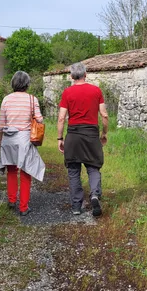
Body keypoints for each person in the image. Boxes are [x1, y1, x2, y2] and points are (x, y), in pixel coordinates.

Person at [57, 62, 109, 217]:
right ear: (86, 74)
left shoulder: (67, 92)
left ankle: (76, 206)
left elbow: (61, 118)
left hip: (73, 135)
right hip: (91, 135)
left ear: (72, 77)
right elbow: (104, 115)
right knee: (93, 167)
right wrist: (104, 133)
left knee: (73, 170)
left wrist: (60, 138)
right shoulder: (96, 91)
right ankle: (94, 194)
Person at [0, 71, 45, 216]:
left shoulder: (6, 99)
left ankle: (12, 200)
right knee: (26, 172)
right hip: (24, 139)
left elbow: (1, 123)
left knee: (11, 170)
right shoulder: (32, 99)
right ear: (27, 84)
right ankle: (23, 207)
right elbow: (40, 120)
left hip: (8, 139)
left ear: (13, 83)